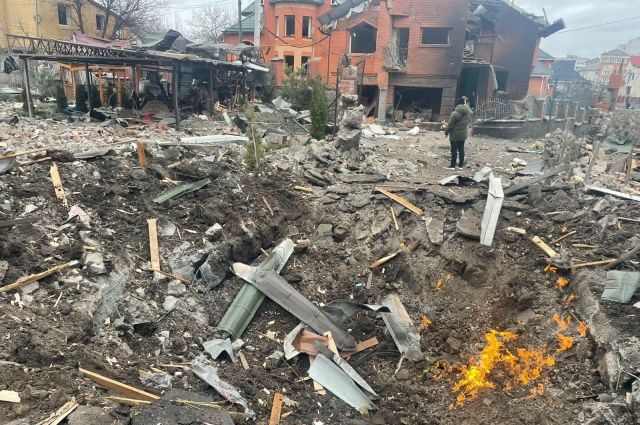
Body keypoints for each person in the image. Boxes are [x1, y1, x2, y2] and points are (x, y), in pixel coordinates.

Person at [444, 97, 472, 170]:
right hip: (463, 135)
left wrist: (446, 133)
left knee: (454, 150)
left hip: (455, 135)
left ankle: (453, 165)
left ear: (457, 104)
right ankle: (460, 166)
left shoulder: (455, 113)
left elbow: (450, 125)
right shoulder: (468, 113)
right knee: (461, 149)